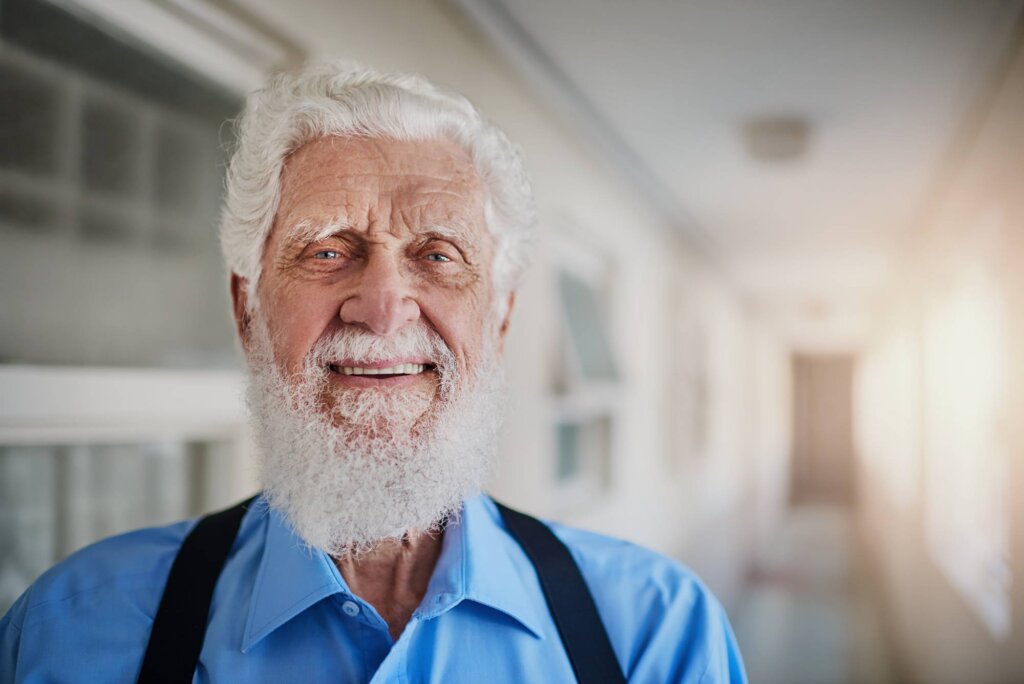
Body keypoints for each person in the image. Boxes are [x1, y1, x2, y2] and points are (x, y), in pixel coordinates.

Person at [0, 61, 746, 683]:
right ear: (247, 308)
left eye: (438, 255)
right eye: (327, 250)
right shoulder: (69, 632)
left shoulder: (654, 631)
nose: (385, 308)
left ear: (500, 318)